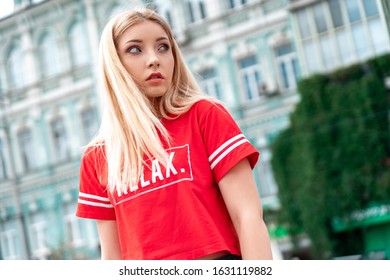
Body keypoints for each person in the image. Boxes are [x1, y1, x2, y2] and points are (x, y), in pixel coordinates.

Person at [76, 8, 273, 260]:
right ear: (115, 64)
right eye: (135, 49)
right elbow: (111, 257)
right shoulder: (98, 156)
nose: (154, 59)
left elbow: (247, 217)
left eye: (163, 47)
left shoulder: (205, 115)